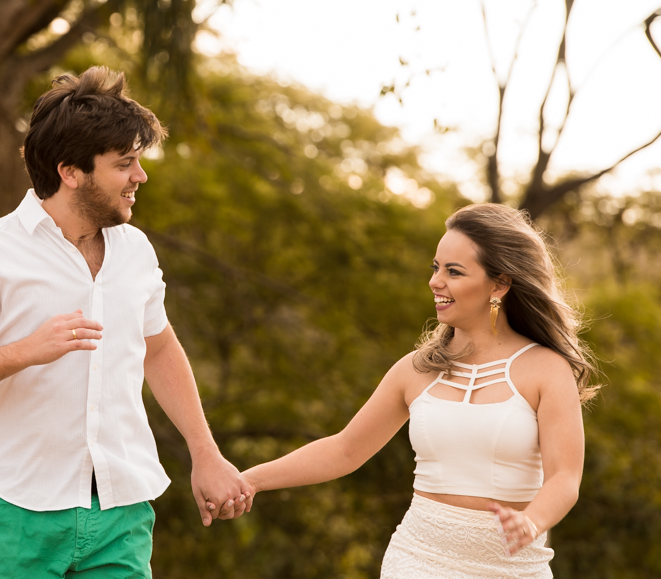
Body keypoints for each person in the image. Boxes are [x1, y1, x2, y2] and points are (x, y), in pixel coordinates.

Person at [0, 67, 250, 579]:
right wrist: (27, 349)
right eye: (125, 164)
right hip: (13, 515)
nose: (141, 176)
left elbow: (158, 348)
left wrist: (206, 453)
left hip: (121, 513)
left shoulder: (135, 250)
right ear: (71, 171)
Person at [237, 203, 598, 578]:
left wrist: (532, 521)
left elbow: (565, 479)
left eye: (454, 271)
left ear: (499, 284)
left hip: (513, 569)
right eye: (436, 267)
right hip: (417, 561)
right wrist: (250, 481)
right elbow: (345, 449)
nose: (436, 281)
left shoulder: (547, 370)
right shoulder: (415, 369)